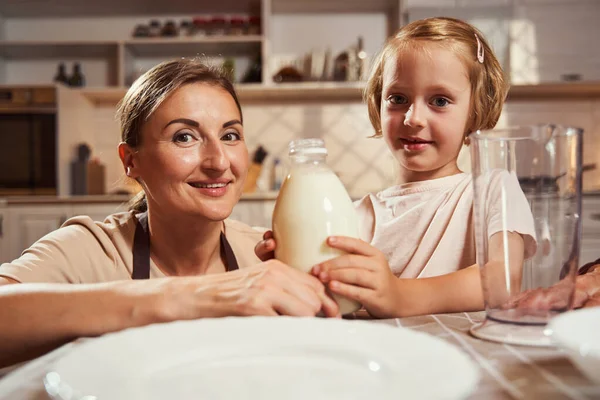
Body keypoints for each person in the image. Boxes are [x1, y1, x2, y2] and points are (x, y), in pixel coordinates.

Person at [0, 59, 338, 368]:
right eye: (184, 137)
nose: (219, 162)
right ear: (131, 161)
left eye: (230, 135)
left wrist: (374, 290)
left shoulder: (268, 256)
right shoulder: (91, 250)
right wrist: (192, 296)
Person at [257, 17, 537, 318]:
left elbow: (502, 280)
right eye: (398, 98)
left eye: (440, 101)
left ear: (474, 112)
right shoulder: (356, 214)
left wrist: (399, 295)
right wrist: (295, 265)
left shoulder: (491, 188)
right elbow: (332, 301)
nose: (413, 118)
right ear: (379, 104)